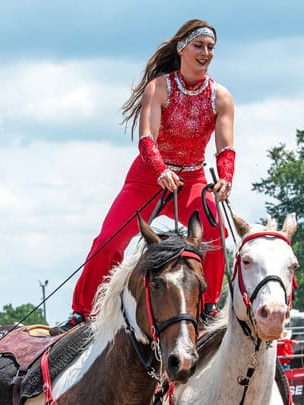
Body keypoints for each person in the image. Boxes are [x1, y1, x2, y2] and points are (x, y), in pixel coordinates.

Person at [60, 19, 234, 330]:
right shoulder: (161, 87)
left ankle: (206, 308)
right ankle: (82, 312)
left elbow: (225, 148)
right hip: (148, 177)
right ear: (182, 49)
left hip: (192, 179)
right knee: (109, 241)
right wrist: (161, 169)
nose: (205, 52)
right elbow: (146, 139)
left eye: (210, 48)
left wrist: (225, 177)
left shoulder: (220, 96)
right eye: (199, 46)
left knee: (214, 232)